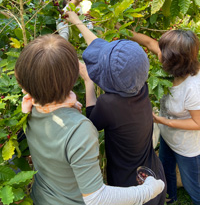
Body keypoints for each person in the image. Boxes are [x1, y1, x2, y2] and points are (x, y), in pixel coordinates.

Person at [14, 34, 165, 205]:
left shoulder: (29, 109)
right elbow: (96, 198)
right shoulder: (80, 130)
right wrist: (148, 190)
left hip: (42, 197)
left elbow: (45, 69)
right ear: (72, 77)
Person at [64, 11, 167, 205]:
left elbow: (91, 122)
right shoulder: (140, 87)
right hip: (153, 172)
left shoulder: (109, 104)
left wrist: (88, 82)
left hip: (129, 185)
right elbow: (100, 48)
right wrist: (76, 20)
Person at [129, 29, 200, 205]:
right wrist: (119, 28)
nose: (158, 52)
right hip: (169, 137)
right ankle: (170, 197)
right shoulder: (174, 67)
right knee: (165, 168)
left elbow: (198, 122)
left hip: (187, 147)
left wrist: (161, 121)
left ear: (173, 58)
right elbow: (149, 43)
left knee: (193, 185)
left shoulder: (193, 88)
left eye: (163, 50)